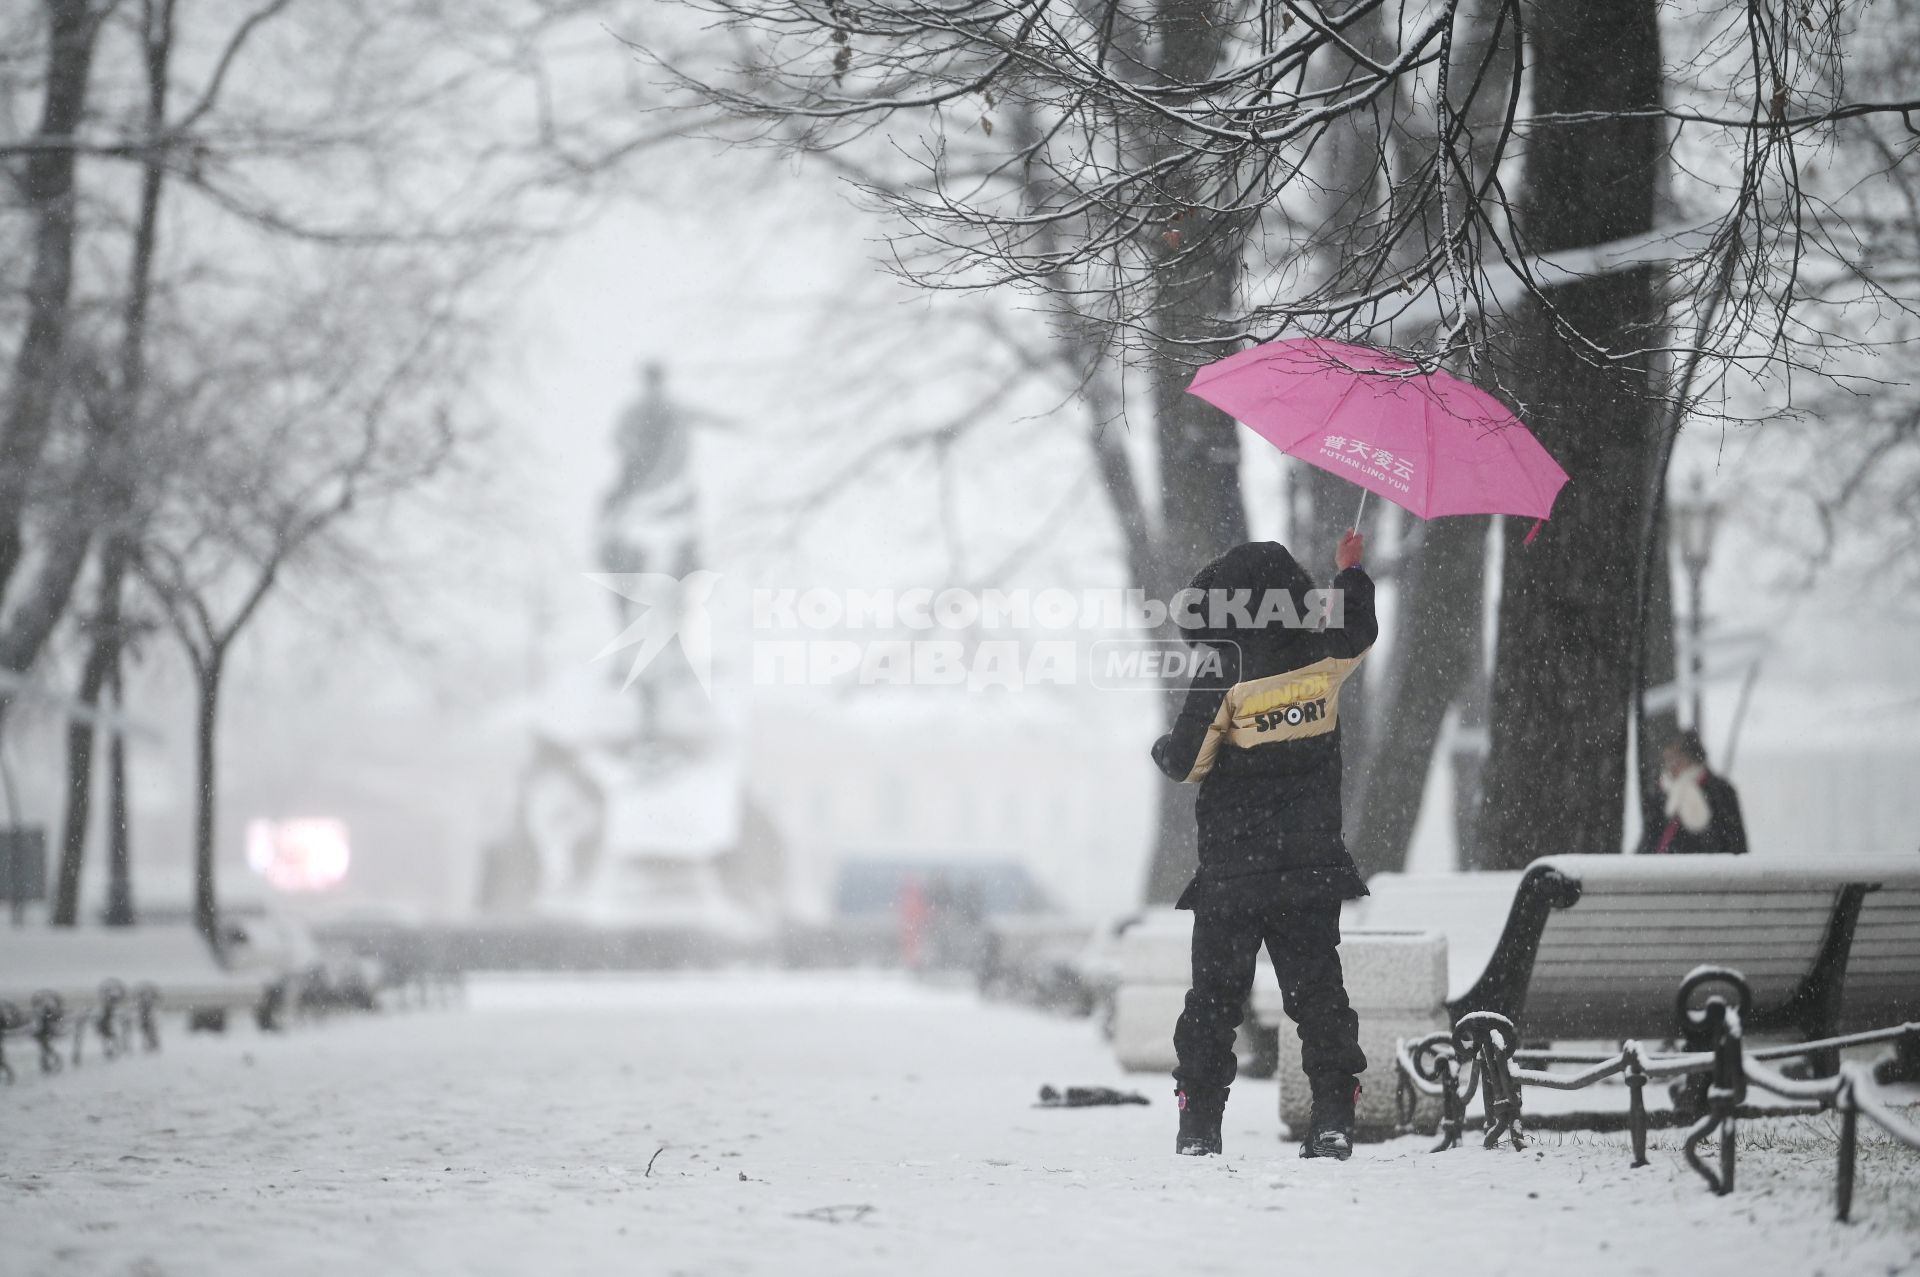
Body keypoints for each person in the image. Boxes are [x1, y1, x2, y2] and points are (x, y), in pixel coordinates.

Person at [1150, 531, 1377, 1161]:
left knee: (1214, 1000)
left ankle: (1199, 1124)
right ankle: (1333, 1115)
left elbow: (1187, 763)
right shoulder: (1326, 654)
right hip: (1310, 867)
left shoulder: (1224, 668)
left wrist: (1163, 750)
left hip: (1233, 872)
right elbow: (1358, 624)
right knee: (1319, 996)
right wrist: (1351, 572)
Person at [1646, 729, 1749, 856]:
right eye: (1668, 758)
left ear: (1693, 757)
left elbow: (1734, 842)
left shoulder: (1719, 790)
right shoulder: (1661, 792)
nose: (1673, 765)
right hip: (1665, 869)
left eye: (1678, 758)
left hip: (1709, 869)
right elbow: (1649, 839)